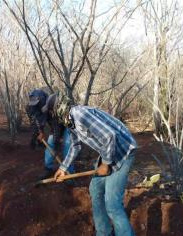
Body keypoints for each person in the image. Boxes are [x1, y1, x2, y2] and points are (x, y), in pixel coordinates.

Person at [48, 93, 137, 236]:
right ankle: (103, 232)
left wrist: (106, 164)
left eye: (52, 112)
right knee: (95, 190)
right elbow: (75, 146)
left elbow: (110, 136)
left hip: (123, 151)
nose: (53, 117)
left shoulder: (80, 114)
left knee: (112, 204)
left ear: (58, 109)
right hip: (108, 151)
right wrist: (63, 168)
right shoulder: (70, 121)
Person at [26, 89, 74, 179]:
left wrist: (57, 145)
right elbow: (35, 120)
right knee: (49, 146)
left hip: (67, 124)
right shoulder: (33, 107)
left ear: (42, 99)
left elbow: (57, 127)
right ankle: (48, 168)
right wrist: (40, 132)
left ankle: (69, 172)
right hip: (54, 125)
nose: (36, 105)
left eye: (37, 103)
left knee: (67, 147)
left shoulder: (54, 105)